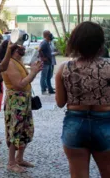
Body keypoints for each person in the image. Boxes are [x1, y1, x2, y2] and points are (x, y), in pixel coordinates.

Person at [56, 21, 110, 178]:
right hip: (106, 123)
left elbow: (60, 103)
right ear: (100, 42)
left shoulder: (64, 68)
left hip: (75, 124)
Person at [2, 44, 43, 173]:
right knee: (15, 130)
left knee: (25, 129)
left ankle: (19, 159)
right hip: (16, 100)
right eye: (21, 48)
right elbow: (19, 84)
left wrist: (34, 71)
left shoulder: (17, 61)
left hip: (24, 99)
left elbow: (27, 80)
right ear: (14, 51)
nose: (24, 49)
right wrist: (34, 72)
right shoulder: (9, 63)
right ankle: (11, 162)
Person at [39, 30, 55, 95]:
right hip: (45, 63)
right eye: (49, 34)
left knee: (48, 77)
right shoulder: (44, 43)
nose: (51, 35)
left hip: (49, 62)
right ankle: (43, 90)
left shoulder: (48, 42)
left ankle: (50, 89)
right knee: (44, 77)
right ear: (46, 35)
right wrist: (43, 58)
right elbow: (39, 50)